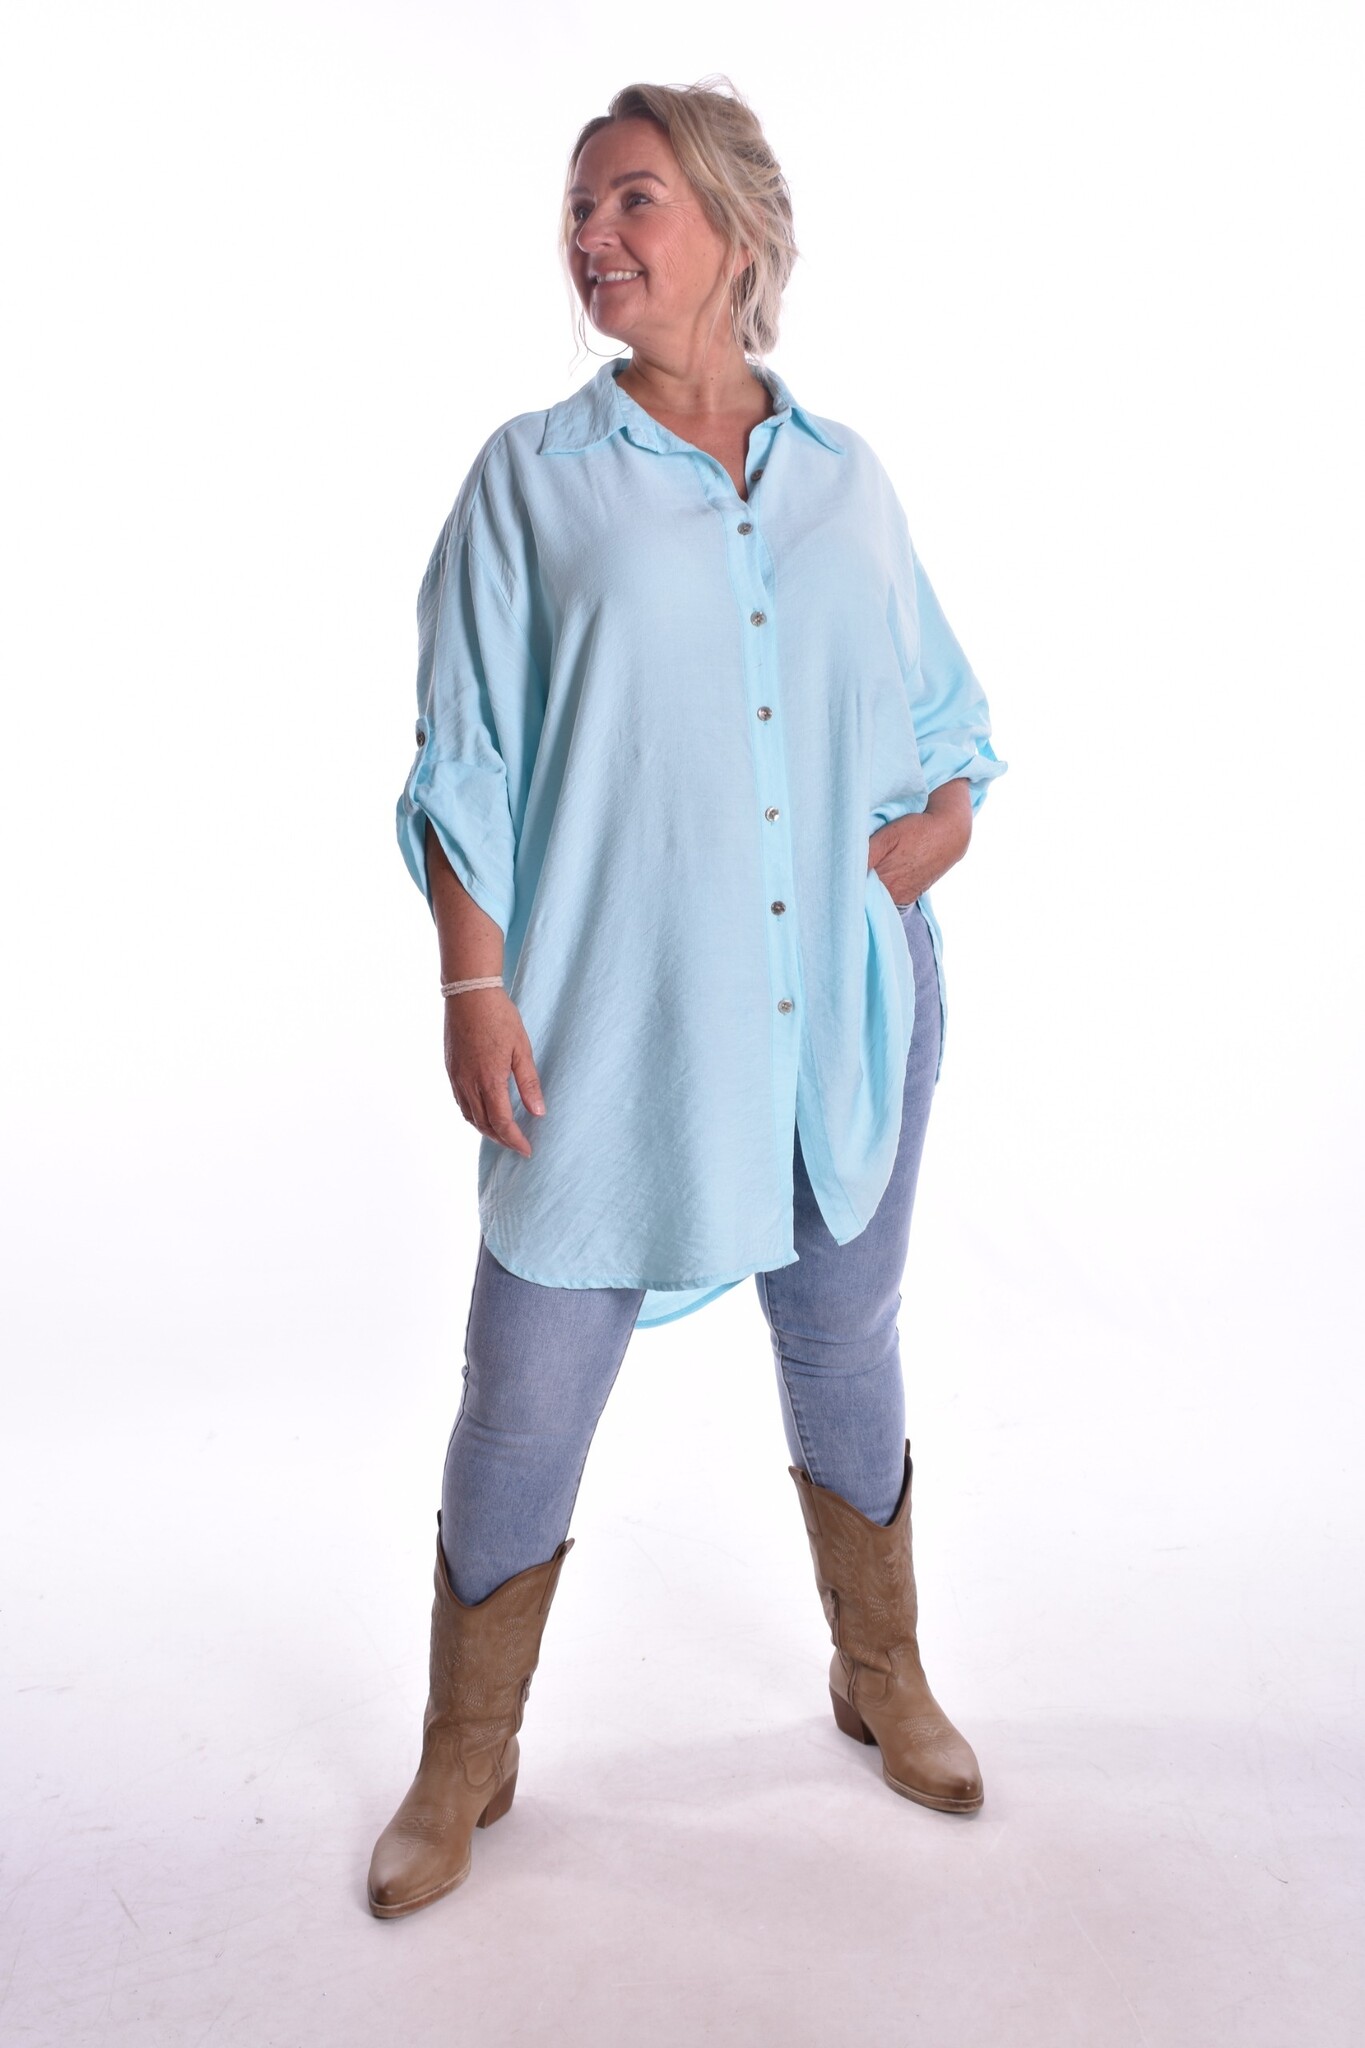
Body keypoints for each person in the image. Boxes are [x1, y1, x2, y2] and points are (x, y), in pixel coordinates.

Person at [367, 77, 1008, 1920]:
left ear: (733, 227)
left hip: (846, 1010)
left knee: (843, 1341)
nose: (591, 236)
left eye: (630, 199)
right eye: (578, 208)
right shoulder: (531, 479)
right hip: (615, 1015)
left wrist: (929, 838)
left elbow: (945, 720)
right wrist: (473, 980)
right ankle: (464, 1750)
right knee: (526, 1385)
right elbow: (466, 758)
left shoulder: (844, 479)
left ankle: (879, 1671)